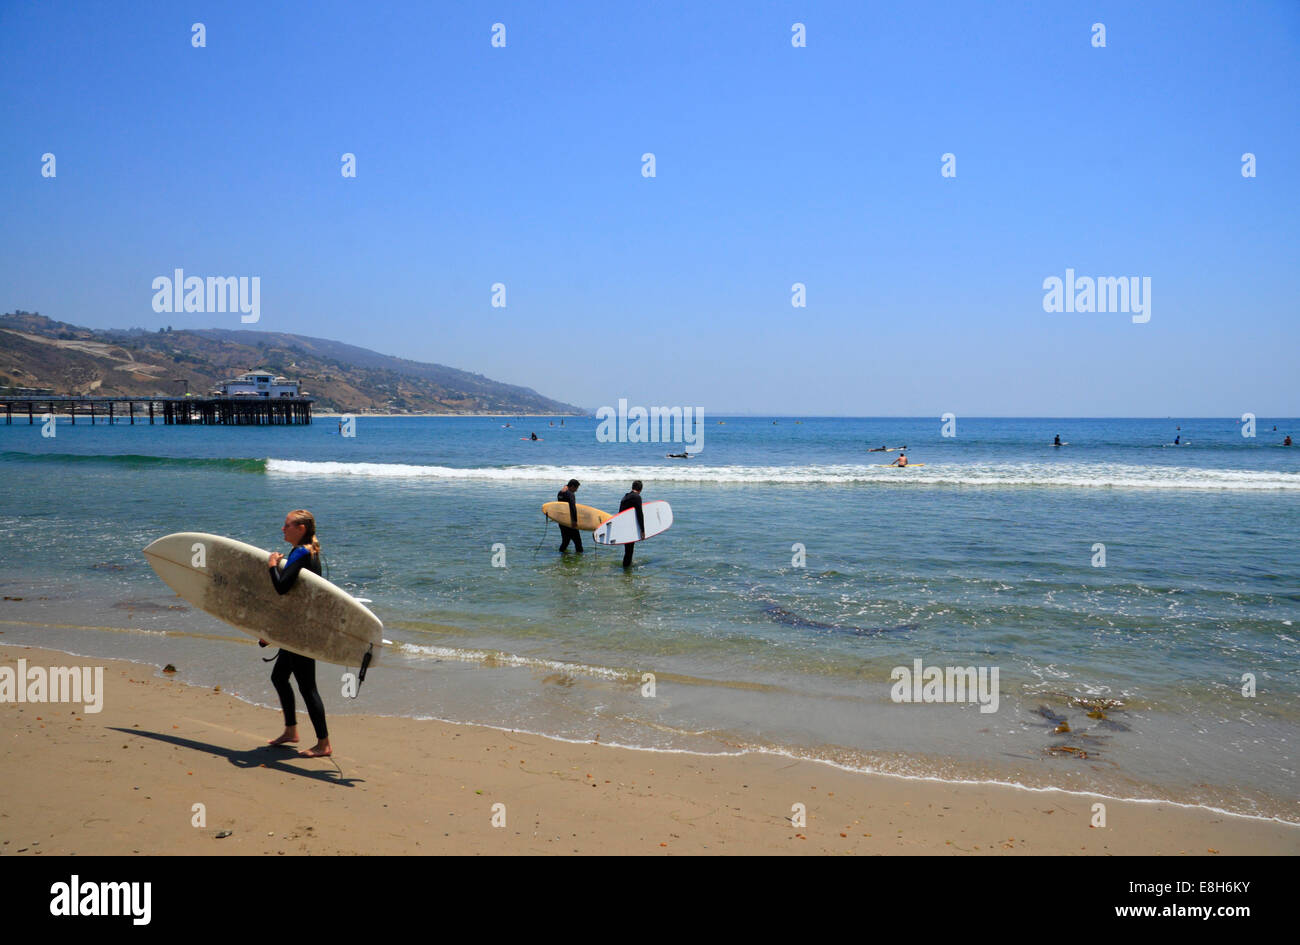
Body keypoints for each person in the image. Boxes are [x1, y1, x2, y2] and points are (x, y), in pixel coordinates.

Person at [264, 509, 331, 758]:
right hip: (296, 627)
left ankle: (324, 744)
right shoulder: (304, 552)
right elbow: (295, 597)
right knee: (279, 677)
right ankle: (291, 731)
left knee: (307, 687)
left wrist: (272, 566)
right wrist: (274, 631)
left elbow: (282, 588)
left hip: (301, 631)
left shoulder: (302, 553)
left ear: (300, 528)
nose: (283, 529)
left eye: (287, 525)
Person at [619, 480, 645, 568]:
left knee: (628, 550)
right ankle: (626, 570)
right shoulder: (637, 497)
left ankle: (626, 567)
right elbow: (639, 514)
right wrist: (642, 530)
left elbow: (620, 514)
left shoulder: (625, 497)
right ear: (640, 489)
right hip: (630, 527)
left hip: (624, 526)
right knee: (629, 551)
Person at [557, 479, 583, 553]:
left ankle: (562, 556)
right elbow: (572, 507)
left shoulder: (560, 493)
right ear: (572, 486)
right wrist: (574, 521)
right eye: (576, 488)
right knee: (578, 542)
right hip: (569, 522)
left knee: (565, 541)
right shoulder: (570, 494)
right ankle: (579, 558)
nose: (576, 490)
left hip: (562, 522)